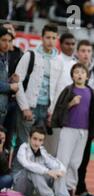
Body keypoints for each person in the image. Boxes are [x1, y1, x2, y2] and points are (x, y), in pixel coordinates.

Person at [13, 23, 65, 158]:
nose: (51, 41)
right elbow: (16, 81)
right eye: (48, 37)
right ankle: (17, 177)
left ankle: (31, 178)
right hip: (29, 107)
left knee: (38, 149)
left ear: (57, 39)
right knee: (22, 145)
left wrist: (52, 111)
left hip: (46, 110)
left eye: (54, 38)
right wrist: (24, 107)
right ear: (42, 38)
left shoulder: (59, 61)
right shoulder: (30, 55)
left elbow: (58, 88)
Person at [51, 63, 94, 196]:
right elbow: (59, 109)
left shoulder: (90, 92)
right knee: (63, 160)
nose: (79, 74)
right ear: (72, 76)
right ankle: (59, 190)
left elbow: (93, 113)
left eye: (82, 72)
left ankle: (69, 188)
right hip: (68, 129)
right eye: (76, 72)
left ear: (87, 76)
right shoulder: (68, 90)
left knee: (75, 162)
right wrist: (71, 103)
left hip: (83, 131)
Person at [13, 126, 75, 196]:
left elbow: (54, 162)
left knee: (58, 171)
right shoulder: (23, 148)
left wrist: (60, 170)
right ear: (29, 138)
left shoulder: (42, 151)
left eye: (40, 140)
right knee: (33, 171)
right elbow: (27, 164)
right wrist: (47, 171)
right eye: (34, 139)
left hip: (37, 190)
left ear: (42, 142)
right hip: (22, 188)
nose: (37, 143)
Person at [75, 40, 94, 196]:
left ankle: (80, 186)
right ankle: (66, 185)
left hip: (88, 119)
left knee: (85, 156)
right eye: (83, 50)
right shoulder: (71, 67)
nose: (86, 54)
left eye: (89, 51)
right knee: (70, 155)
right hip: (72, 118)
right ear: (77, 52)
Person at [44, 32, 78, 157]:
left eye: (73, 44)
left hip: (71, 112)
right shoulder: (56, 61)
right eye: (67, 44)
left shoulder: (76, 64)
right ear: (61, 44)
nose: (70, 46)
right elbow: (52, 87)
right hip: (56, 112)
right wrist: (51, 111)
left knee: (65, 152)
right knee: (51, 149)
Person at [0, 27, 18, 126]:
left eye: (9, 41)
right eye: (3, 40)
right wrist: (10, 87)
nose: (7, 44)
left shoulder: (5, 56)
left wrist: (10, 80)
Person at [0, 125, 13, 190]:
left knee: (8, 179)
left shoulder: (6, 151)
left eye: (3, 138)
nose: (1, 140)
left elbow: (5, 171)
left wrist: (1, 153)